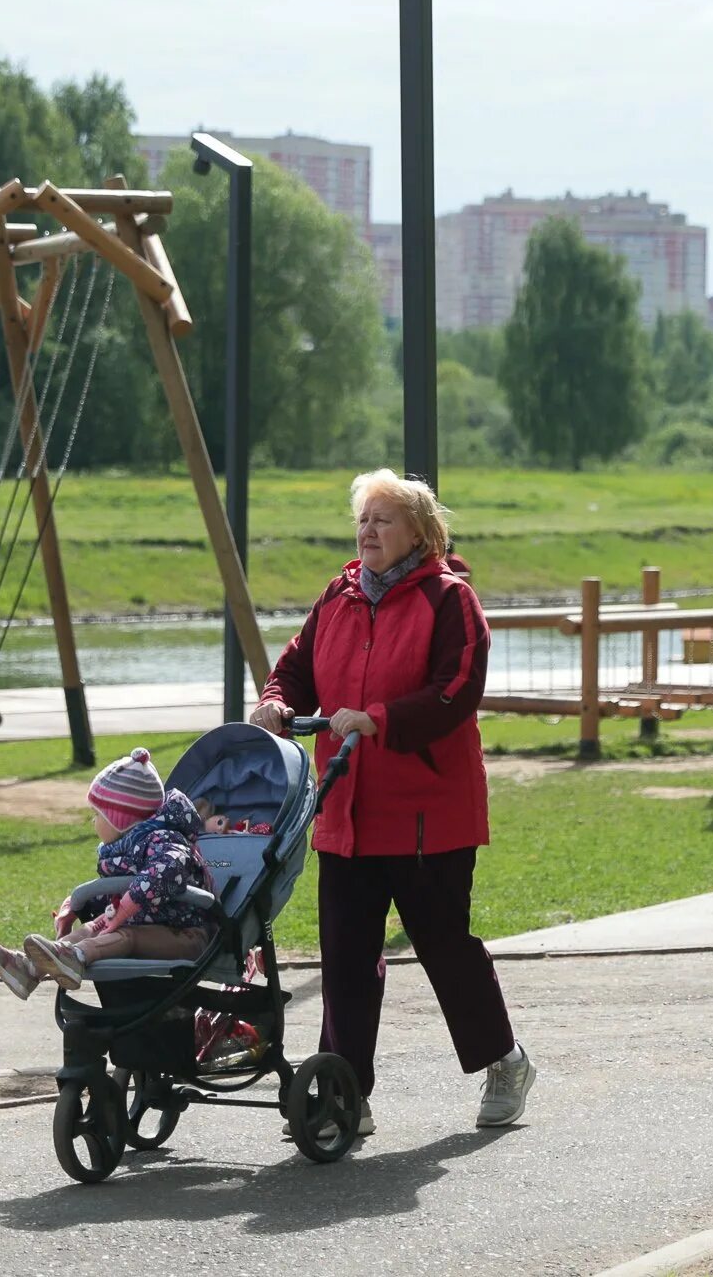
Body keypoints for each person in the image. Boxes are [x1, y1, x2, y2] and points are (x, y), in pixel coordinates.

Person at [250, 468, 534, 1134]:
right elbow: (297, 663)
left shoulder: (450, 601)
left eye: (382, 518)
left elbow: (456, 689)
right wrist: (277, 700)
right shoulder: (338, 595)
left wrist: (380, 717)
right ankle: (346, 1095)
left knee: (444, 945)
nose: (367, 529)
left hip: (427, 815)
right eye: (362, 518)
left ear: (419, 531)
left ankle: (505, 1059)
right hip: (346, 808)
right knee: (346, 954)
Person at [0, 749, 213, 999]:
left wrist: (126, 906)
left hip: (184, 935)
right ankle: (28, 969)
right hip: (145, 922)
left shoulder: (165, 840)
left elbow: (167, 869)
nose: (93, 822)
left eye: (98, 815)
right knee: (92, 927)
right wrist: (75, 906)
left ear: (120, 820)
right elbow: (111, 890)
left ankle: (75, 957)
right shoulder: (126, 846)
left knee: (124, 935)